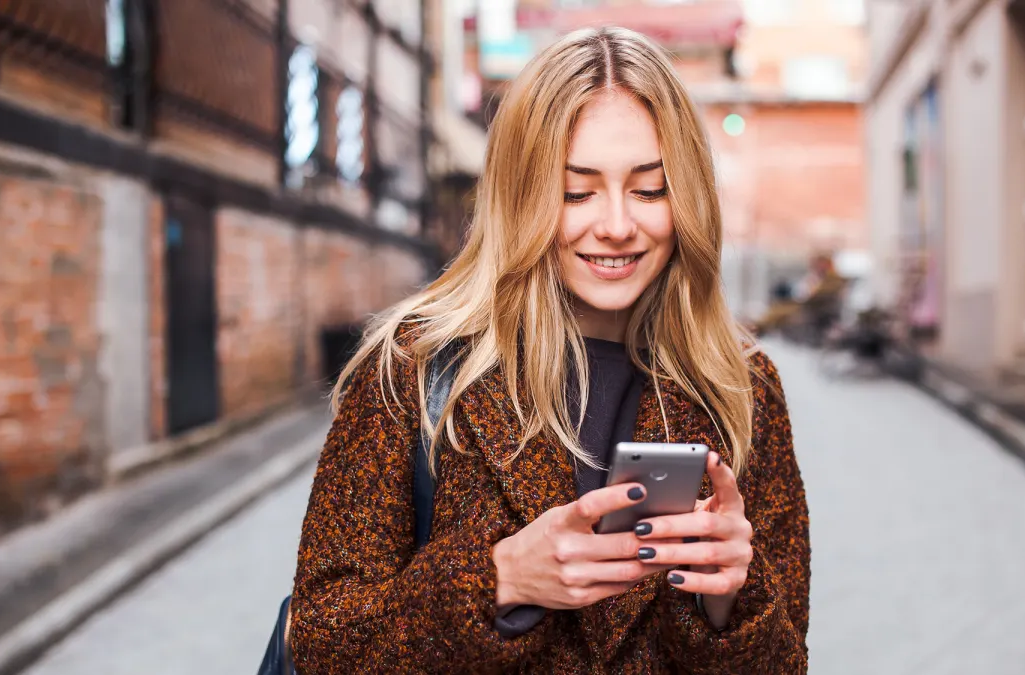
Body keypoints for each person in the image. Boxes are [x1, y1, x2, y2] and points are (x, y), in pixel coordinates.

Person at [289, 27, 810, 673]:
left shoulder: (741, 387)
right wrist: (499, 579)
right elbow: (319, 643)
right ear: (521, 194)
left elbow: (785, 662)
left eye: (649, 189)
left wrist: (730, 599)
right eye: (576, 191)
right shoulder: (414, 369)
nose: (617, 224)